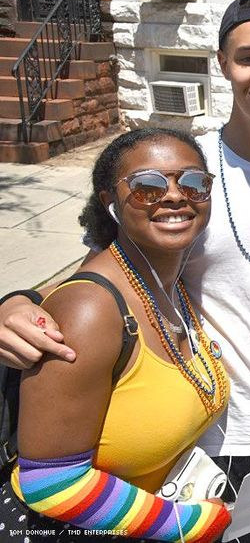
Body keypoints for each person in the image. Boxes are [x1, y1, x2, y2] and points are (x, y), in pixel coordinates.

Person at [0, 0, 250, 543]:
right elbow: (101, 263)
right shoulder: (177, 168)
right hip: (191, 441)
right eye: (249, 57)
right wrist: (16, 302)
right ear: (222, 64)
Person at [1, 128, 230, 541]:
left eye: (194, 182)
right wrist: (179, 524)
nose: (176, 195)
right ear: (110, 202)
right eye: (147, 186)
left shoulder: (169, 283)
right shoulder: (90, 311)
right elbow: (50, 482)